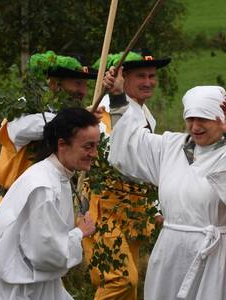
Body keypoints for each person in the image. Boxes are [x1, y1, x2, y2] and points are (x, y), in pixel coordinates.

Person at [108, 85, 226, 300]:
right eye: (190, 118)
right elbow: (129, 143)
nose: (195, 126)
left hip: (223, 256)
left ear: (221, 119)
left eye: (203, 119)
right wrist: (116, 97)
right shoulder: (171, 146)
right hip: (173, 253)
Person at [83, 49, 170, 300]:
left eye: (152, 76)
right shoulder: (105, 112)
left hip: (133, 211)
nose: (148, 82)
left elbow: (145, 167)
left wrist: (154, 206)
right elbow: (122, 161)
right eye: (140, 76)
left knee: (129, 287)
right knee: (120, 280)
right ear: (122, 78)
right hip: (105, 209)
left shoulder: (144, 114)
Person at [0, 107, 99, 300]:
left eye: (96, 146)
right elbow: (46, 254)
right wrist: (79, 233)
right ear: (62, 144)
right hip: (23, 290)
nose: (94, 154)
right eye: (88, 146)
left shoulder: (56, 176)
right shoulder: (43, 186)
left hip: (40, 285)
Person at [0, 50, 98, 200]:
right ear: (54, 84)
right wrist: (80, 120)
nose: (83, 91)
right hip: (18, 204)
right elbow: (26, 130)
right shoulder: (23, 109)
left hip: (56, 200)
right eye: (77, 83)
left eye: (85, 84)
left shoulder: (67, 115)